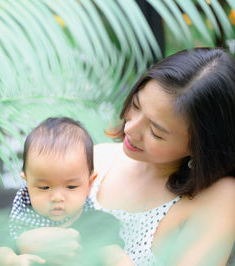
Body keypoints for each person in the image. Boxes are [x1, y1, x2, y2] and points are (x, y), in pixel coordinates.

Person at [14, 48, 235, 265]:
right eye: (136, 105)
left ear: (201, 146)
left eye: (156, 132)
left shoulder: (219, 198)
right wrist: (22, 244)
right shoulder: (96, 158)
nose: (130, 128)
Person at [0, 117, 129, 265]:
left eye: (71, 187)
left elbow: (115, 257)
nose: (57, 197)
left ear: (89, 184)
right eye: (44, 187)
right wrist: (12, 260)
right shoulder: (18, 219)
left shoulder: (97, 223)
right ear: (27, 183)